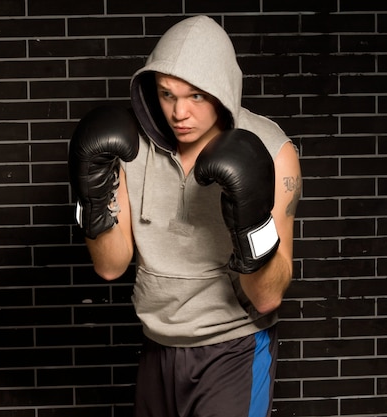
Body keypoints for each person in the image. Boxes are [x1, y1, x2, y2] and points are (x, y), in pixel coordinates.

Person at [68, 15, 302, 417]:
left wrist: (251, 224)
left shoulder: (273, 151)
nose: (179, 112)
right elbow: (110, 266)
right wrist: (90, 198)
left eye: (196, 96)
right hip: (158, 345)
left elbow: (269, 296)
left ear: (223, 91)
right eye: (167, 94)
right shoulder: (128, 147)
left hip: (234, 348)